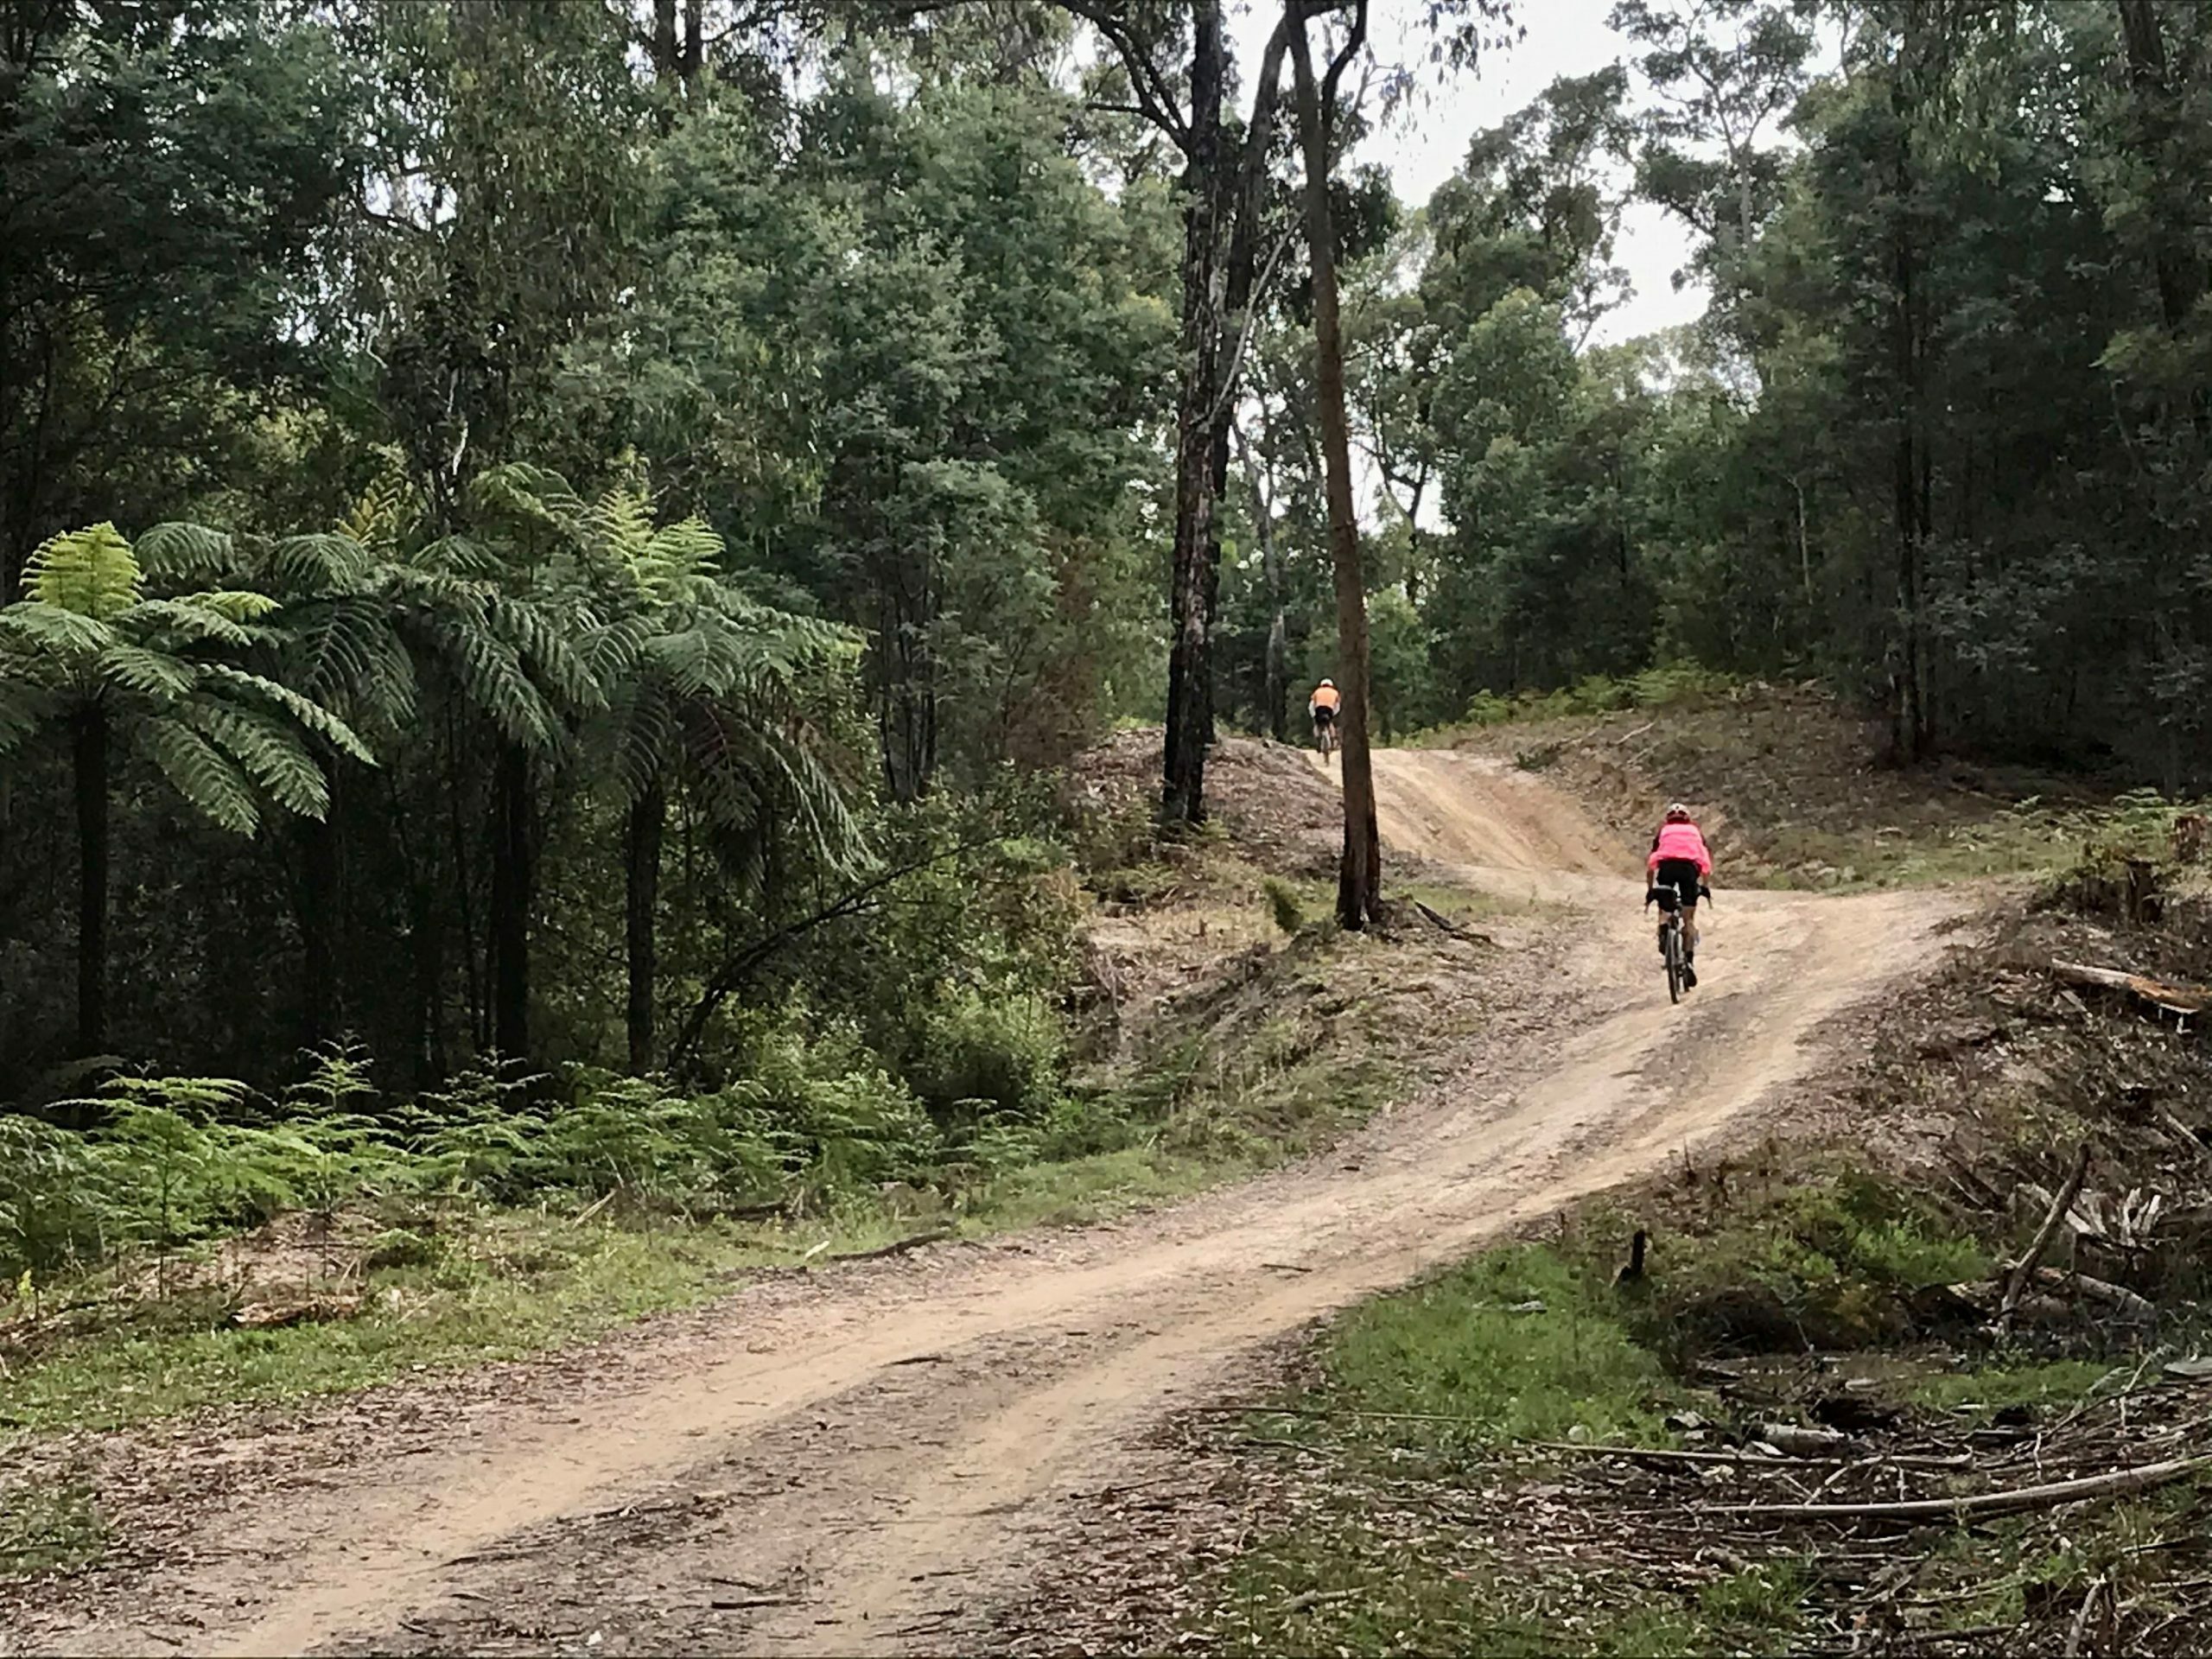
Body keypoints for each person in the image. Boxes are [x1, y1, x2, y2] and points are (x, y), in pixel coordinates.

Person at [1647, 802, 1712, 988]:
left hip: (1666, 867)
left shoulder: (1664, 832)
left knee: (1665, 906)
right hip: (1689, 869)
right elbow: (1705, 861)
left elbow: (1652, 861)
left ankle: (1664, 929)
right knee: (1688, 918)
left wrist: (1651, 889)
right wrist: (1705, 887)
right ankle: (1689, 961)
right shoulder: (1695, 832)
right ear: (1687, 819)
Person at [1308, 678, 1341, 747]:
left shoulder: (1317, 692)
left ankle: (1318, 741)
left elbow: (1311, 705)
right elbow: (1337, 706)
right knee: (1330, 724)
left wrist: (1313, 715)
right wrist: (1334, 714)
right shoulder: (1335, 692)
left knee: (1317, 725)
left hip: (1319, 709)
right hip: (1329, 710)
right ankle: (1332, 740)